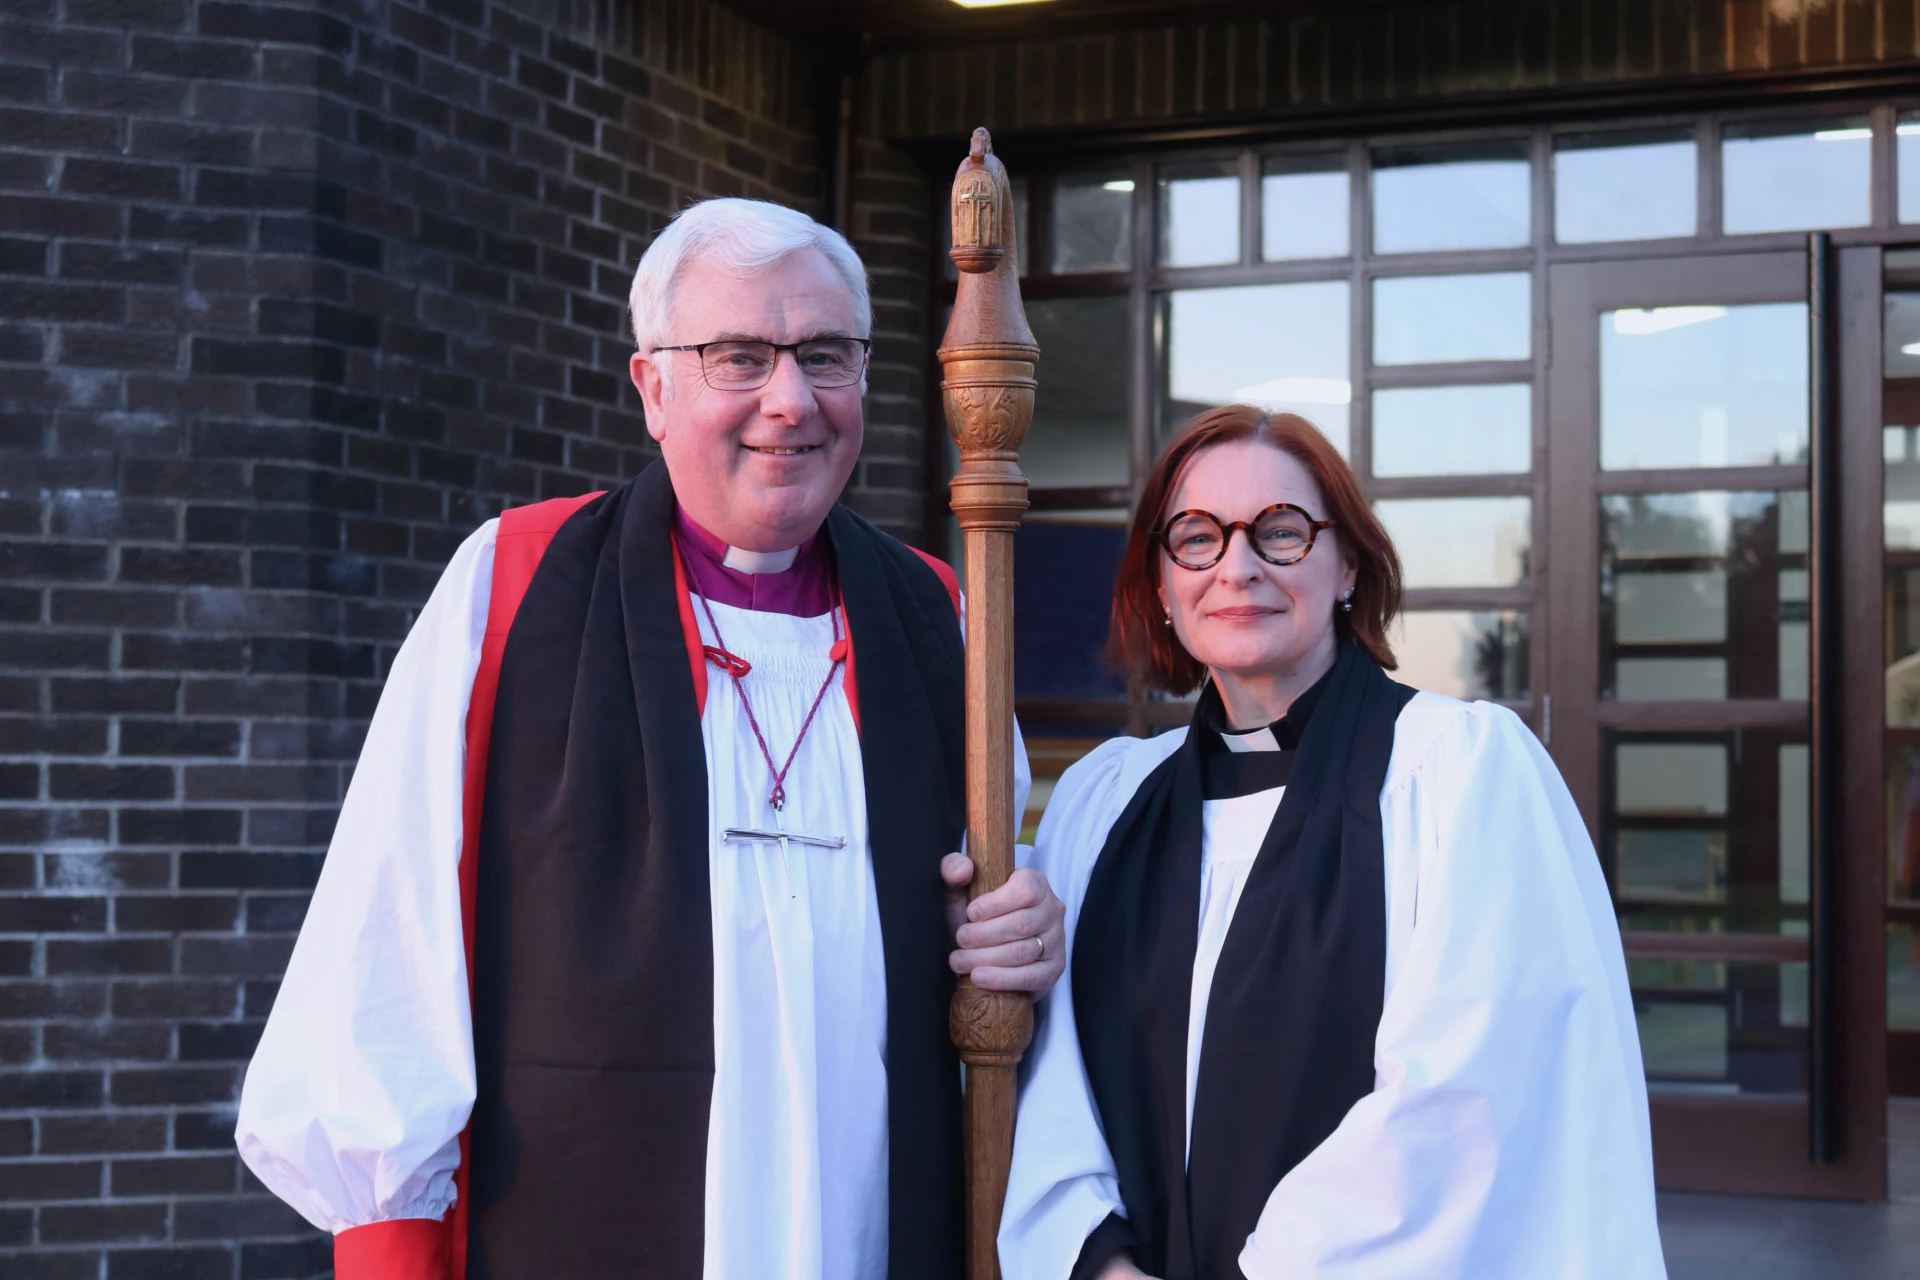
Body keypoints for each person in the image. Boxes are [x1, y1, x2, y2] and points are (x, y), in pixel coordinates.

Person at [236, 197, 1068, 1280]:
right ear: (654, 388)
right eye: (739, 356)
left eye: (826, 355)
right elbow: (389, 954)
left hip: (870, 1226)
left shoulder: (940, 615)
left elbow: (992, 947)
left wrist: (1025, 937)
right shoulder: (515, 587)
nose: (789, 399)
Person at [999, 406, 1665, 1280]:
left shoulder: (1461, 773)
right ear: (1160, 584)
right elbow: (1056, 1084)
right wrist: (1100, 1262)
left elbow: (1465, 1100)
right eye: (1196, 537)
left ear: (1347, 562)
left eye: (1281, 532)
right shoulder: (1106, 803)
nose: (1237, 567)